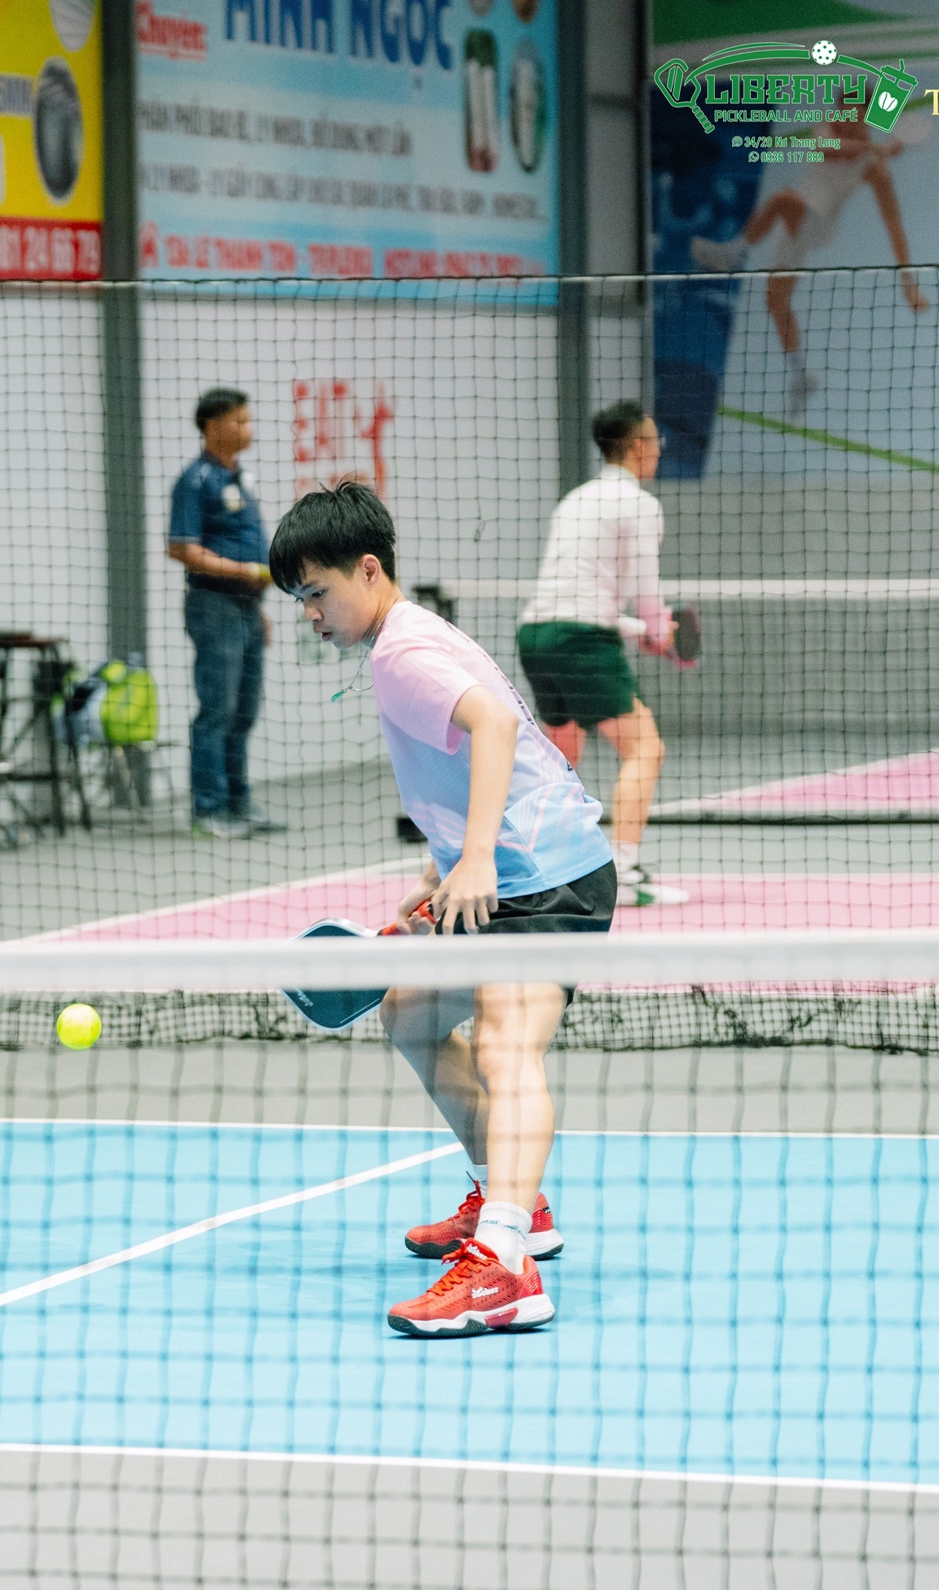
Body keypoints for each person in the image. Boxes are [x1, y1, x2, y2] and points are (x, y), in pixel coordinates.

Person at [270, 483, 616, 1337]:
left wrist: (475, 859)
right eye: (299, 600)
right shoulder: (407, 635)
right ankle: (513, 1199)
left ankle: (506, 1264)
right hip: (518, 871)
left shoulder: (403, 654)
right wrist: (444, 868)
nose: (310, 614)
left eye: (316, 592)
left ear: (367, 569)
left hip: (548, 879)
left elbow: (494, 725)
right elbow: (465, 761)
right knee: (411, 1013)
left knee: (504, 1043)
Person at [516, 401, 688, 908]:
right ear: (636, 447)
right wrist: (659, 631)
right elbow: (646, 589)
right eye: (654, 441)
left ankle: (545, 868)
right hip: (581, 640)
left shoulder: (574, 500)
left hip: (537, 637)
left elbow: (582, 595)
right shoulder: (639, 504)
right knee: (645, 748)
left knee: (560, 760)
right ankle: (626, 872)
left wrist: (641, 631)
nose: (659, 450)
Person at [687, 117, 930, 417]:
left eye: (852, 115)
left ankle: (731, 255)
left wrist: (908, 285)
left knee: (780, 199)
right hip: (794, 225)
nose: (843, 120)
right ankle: (800, 376)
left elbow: (895, 227)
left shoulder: (874, 169)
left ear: (865, 118)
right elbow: (828, 148)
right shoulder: (828, 131)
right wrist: (876, 147)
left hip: (817, 224)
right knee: (776, 302)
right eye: (841, 112)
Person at [167, 387, 283, 840]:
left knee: (245, 710)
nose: (248, 429)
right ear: (213, 426)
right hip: (214, 606)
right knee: (217, 709)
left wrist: (259, 606)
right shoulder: (195, 481)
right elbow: (182, 548)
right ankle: (208, 809)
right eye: (239, 421)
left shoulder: (242, 477)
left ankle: (239, 803)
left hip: (247, 609)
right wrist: (242, 571)